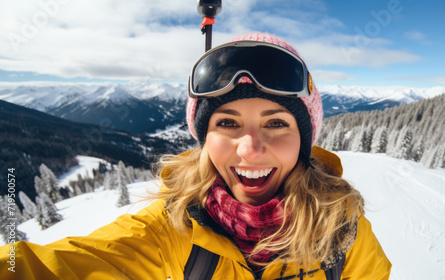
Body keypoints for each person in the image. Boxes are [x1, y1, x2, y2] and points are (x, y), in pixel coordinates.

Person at [0, 33, 391, 279]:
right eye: (227, 124)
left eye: (275, 124)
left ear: (304, 141)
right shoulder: (171, 229)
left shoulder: (342, 234)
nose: (250, 148)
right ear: (204, 140)